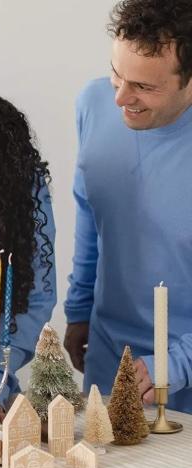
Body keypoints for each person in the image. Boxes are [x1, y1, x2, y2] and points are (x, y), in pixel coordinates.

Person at [65, 0, 192, 414]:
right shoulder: (93, 103)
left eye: (143, 87)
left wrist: (171, 365)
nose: (121, 98)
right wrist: (78, 309)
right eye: (116, 74)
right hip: (108, 356)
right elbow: (91, 210)